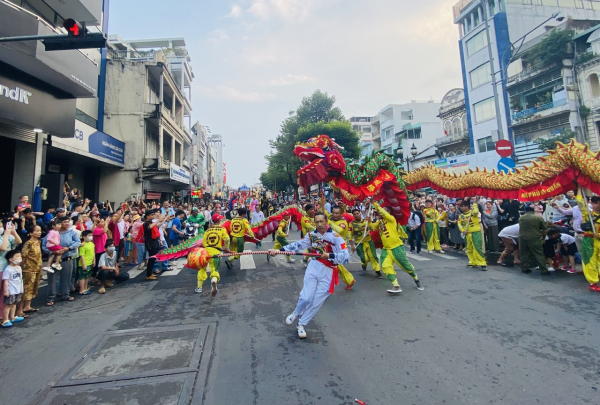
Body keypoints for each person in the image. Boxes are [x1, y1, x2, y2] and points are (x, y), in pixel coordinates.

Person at [271, 212, 349, 339]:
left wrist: (328, 255)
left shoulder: (336, 237)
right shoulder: (312, 235)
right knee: (306, 297)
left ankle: (301, 324)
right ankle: (296, 313)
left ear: (326, 222)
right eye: (316, 222)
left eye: (321, 221)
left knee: (316, 302)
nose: (319, 224)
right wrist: (279, 251)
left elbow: (345, 257)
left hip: (329, 271)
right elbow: (297, 245)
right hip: (314, 266)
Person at [369, 202, 423, 293]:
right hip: (386, 249)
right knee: (385, 267)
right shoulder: (379, 222)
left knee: (406, 266)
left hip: (396, 247)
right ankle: (396, 285)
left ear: (389, 213)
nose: (382, 212)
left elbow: (383, 213)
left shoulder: (391, 219)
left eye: (385, 210)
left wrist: (375, 203)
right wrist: (369, 220)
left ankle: (416, 279)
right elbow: (372, 228)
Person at [41, 217, 81, 305]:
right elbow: (44, 245)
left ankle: (65, 295)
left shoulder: (71, 232)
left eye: (68, 222)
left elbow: (77, 242)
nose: (67, 223)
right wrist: (52, 251)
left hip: (67, 258)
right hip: (54, 258)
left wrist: (69, 248)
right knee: (52, 279)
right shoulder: (53, 232)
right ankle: (51, 298)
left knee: (67, 278)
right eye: (64, 222)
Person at [322, 202, 356, 290]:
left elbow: (338, 230)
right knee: (335, 266)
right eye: (333, 213)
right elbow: (324, 212)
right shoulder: (332, 219)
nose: (335, 215)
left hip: (339, 248)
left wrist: (327, 221)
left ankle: (348, 280)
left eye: (337, 213)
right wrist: (322, 201)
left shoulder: (343, 223)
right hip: (330, 246)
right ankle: (349, 280)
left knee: (332, 265)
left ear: (341, 214)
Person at [196, 214, 230, 296]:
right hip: (215, 253)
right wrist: (226, 248)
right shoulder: (222, 229)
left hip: (205, 253)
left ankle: (199, 288)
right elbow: (227, 239)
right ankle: (214, 280)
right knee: (214, 270)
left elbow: (203, 242)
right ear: (218, 221)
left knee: (202, 269)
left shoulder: (207, 231)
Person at [14, 225, 42, 318]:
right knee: (26, 289)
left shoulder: (38, 242)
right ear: (31, 233)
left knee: (33, 288)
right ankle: (19, 310)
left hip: (37, 267)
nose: (39, 232)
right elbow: (24, 256)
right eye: (37, 231)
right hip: (28, 269)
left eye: (40, 231)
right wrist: (20, 268)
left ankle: (27, 306)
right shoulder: (28, 243)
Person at [349, 208, 381, 276]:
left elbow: (373, 228)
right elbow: (350, 236)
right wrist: (352, 246)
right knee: (364, 258)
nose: (356, 215)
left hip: (369, 241)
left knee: (373, 256)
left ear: (360, 214)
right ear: (353, 216)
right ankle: (364, 263)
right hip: (359, 243)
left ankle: (377, 271)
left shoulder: (366, 221)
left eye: (357, 213)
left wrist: (369, 222)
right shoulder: (352, 224)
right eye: (354, 214)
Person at [518, 206, 549, 275]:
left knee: (524, 253)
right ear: (533, 211)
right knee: (538, 253)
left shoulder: (521, 218)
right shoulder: (538, 218)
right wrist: (543, 238)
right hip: (534, 237)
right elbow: (544, 229)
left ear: (525, 211)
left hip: (522, 237)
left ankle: (524, 268)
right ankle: (544, 270)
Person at [579, 195, 600, 291]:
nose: (598, 205)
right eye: (596, 203)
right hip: (589, 241)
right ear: (592, 203)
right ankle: (593, 283)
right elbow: (580, 203)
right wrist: (579, 188)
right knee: (590, 262)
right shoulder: (587, 215)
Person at [458, 201, 487, 270]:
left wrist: (475, 204)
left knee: (477, 248)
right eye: (461, 206)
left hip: (475, 232)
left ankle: (482, 263)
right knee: (469, 249)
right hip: (467, 234)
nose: (461, 207)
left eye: (463, 206)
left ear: (467, 206)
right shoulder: (461, 215)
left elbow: (476, 212)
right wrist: (462, 230)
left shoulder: (473, 213)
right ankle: (473, 262)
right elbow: (459, 223)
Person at [2, 250, 24, 328]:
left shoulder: (19, 268)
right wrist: (6, 290)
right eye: (17, 256)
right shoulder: (8, 269)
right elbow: (6, 281)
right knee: (8, 305)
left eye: (20, 256)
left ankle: (12, 317)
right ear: (11, 259)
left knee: (14, 304)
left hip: (18, 290)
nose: (19, 258)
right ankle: (5, 320)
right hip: (11, 290)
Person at [143, 209, 165, 281]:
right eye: (151, 215)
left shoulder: (151, 222)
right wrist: (158, 220)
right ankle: (148, 275)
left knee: (153, 258)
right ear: (147, 216)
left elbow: (157, 226)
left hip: (155, 242)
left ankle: (150, 273)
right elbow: (150, 227)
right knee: (151, 259)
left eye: (153, 214)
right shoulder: (146, 223)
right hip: (150, 243)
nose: (153, 216)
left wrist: (164, 219)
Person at [78, 230, 95, 295]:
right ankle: (81, 290)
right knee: (82, 277)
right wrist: (84, 264)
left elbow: (93, 253)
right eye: (89, 235)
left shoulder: (92, 244)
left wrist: (94, 261)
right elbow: (82, 256)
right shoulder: (83, 245)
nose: (91, 237)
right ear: (84, 237)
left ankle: (85, 288)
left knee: (88, 276)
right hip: (84, 264)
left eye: (91, 235)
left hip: (90, 263)